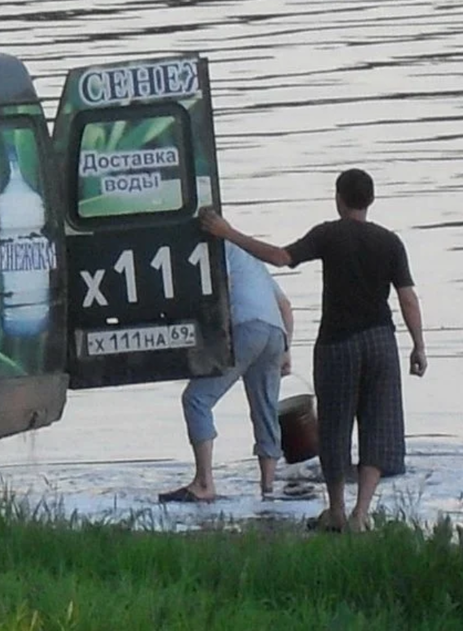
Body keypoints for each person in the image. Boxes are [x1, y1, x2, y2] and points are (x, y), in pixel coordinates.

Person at [199, 168, 427, 532]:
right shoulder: (390, 242)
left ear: (338, 198)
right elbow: (408, 298)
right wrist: (418, 346)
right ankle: (361, 514)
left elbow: (279, 257)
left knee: (334, 427)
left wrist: (228, 233)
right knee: (379, 425)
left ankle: (336, 510)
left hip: (338, 343)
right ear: (370, 200)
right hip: (382, 342)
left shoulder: (328, 234)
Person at [158, 240, 294, 503]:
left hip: (246, 326)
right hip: (275, 332)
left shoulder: (213, 248)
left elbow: (224, 286)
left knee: (196, 399)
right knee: (265, 410)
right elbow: (285, 305)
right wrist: (286, 349)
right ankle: (267, 489)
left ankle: (204, 483)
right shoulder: (250, 257)